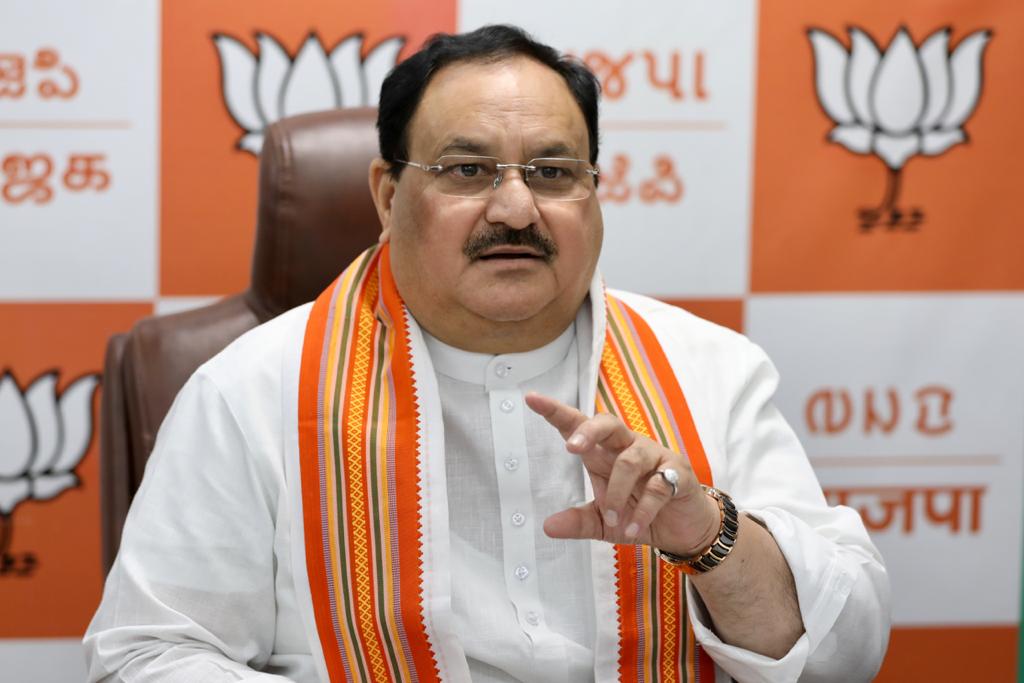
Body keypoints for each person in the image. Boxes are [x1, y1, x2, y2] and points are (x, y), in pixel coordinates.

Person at [85, 25, 889, 683]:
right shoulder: (252, 391)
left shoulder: (708, 368)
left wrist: (707, 534)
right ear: (389, 195)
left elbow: (846, 654)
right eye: (466, 170)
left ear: (594, 192)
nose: (514, 207)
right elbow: (145, 655)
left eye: (552, 171)